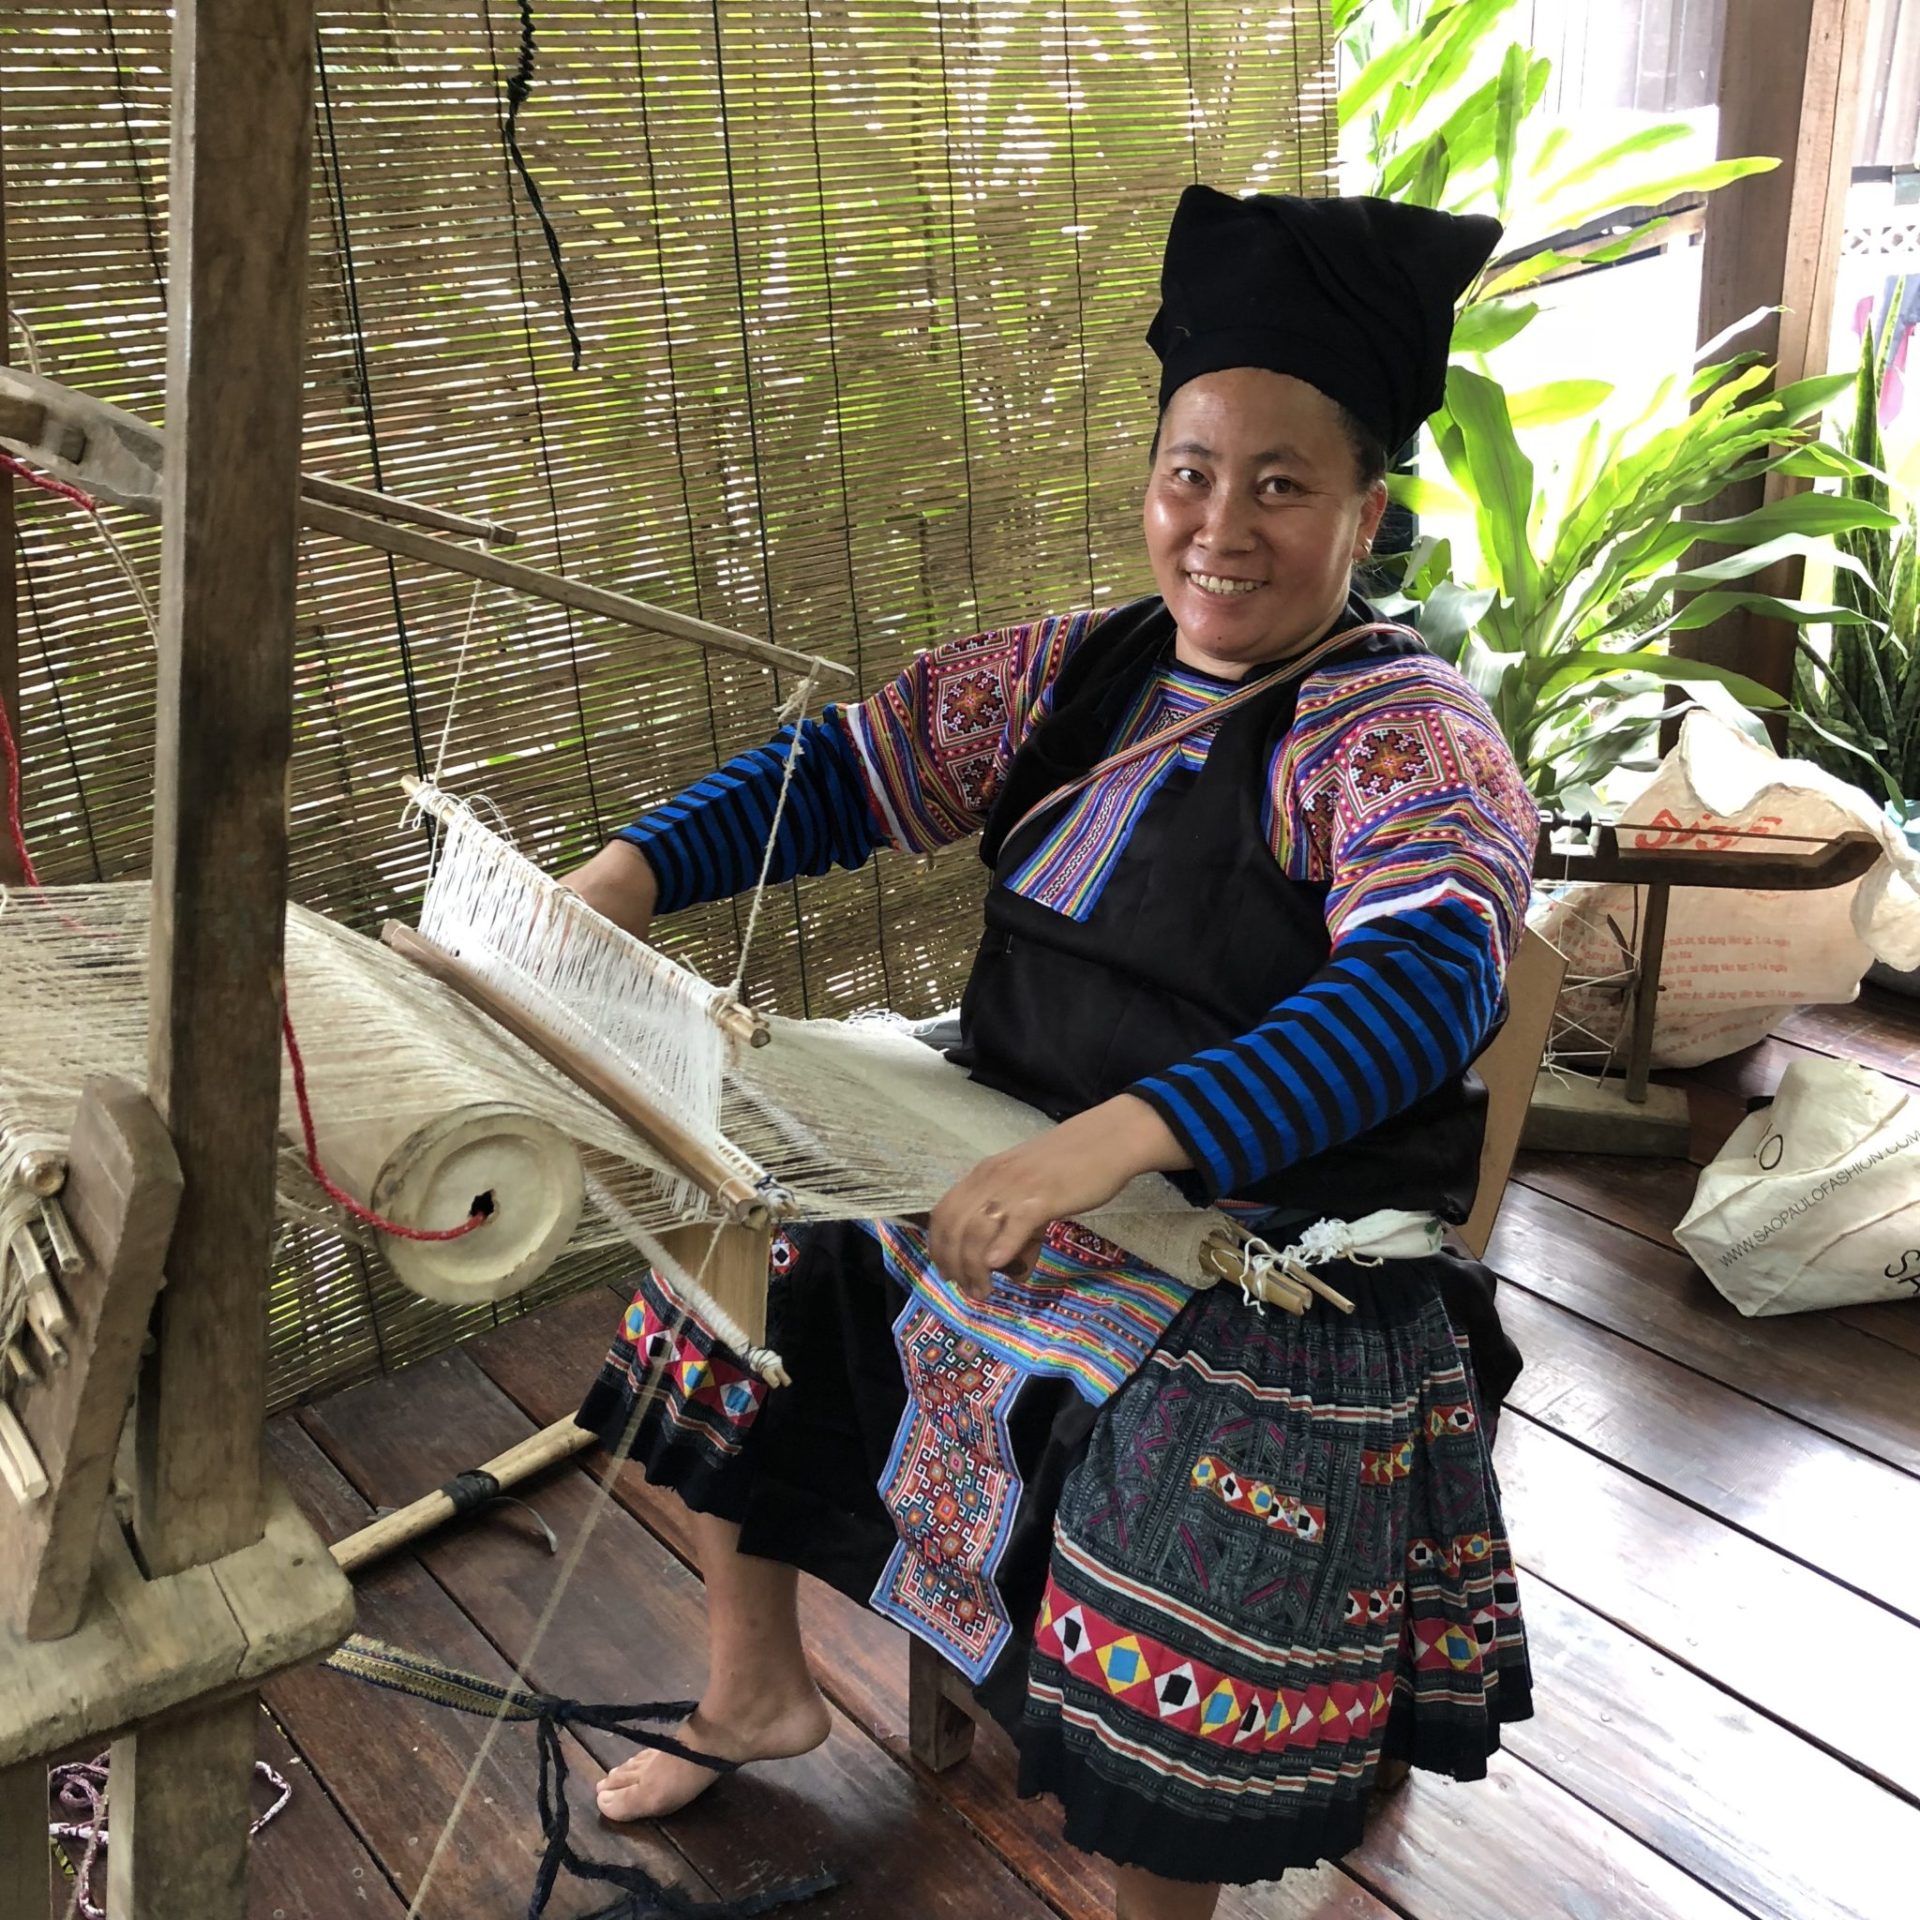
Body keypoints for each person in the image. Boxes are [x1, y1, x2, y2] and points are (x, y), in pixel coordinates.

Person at [568, 185, 1538, 1920]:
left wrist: (1101, 1149)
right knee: (731, 1239)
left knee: (1206, 1480)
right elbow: (847, 769)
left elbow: (1424, 992)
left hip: (1267, 1253)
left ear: (1367, 514)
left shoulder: (1408, 737)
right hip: (1004, 1151)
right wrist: (617, 882)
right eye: (1189, 472)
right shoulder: (1082, 674)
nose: (1218, 527)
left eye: (1281, 484)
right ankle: (758, 1686)